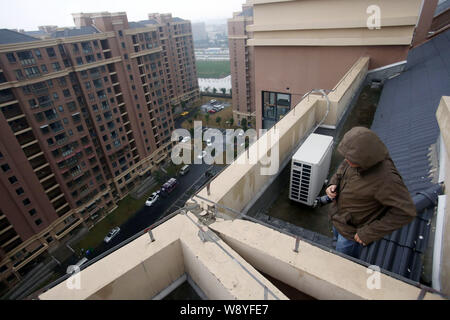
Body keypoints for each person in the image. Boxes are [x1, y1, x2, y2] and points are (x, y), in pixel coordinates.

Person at [326, 127, 416, 258]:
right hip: (339, 220)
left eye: (351, 159)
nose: (347, 160)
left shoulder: (387, 179)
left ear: (365, 158)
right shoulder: (355, 158)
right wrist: (333, 183)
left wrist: (369, 233)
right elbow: (343, 167)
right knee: (335, 242)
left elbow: (406, 212)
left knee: (342, 263)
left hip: (351, 235)